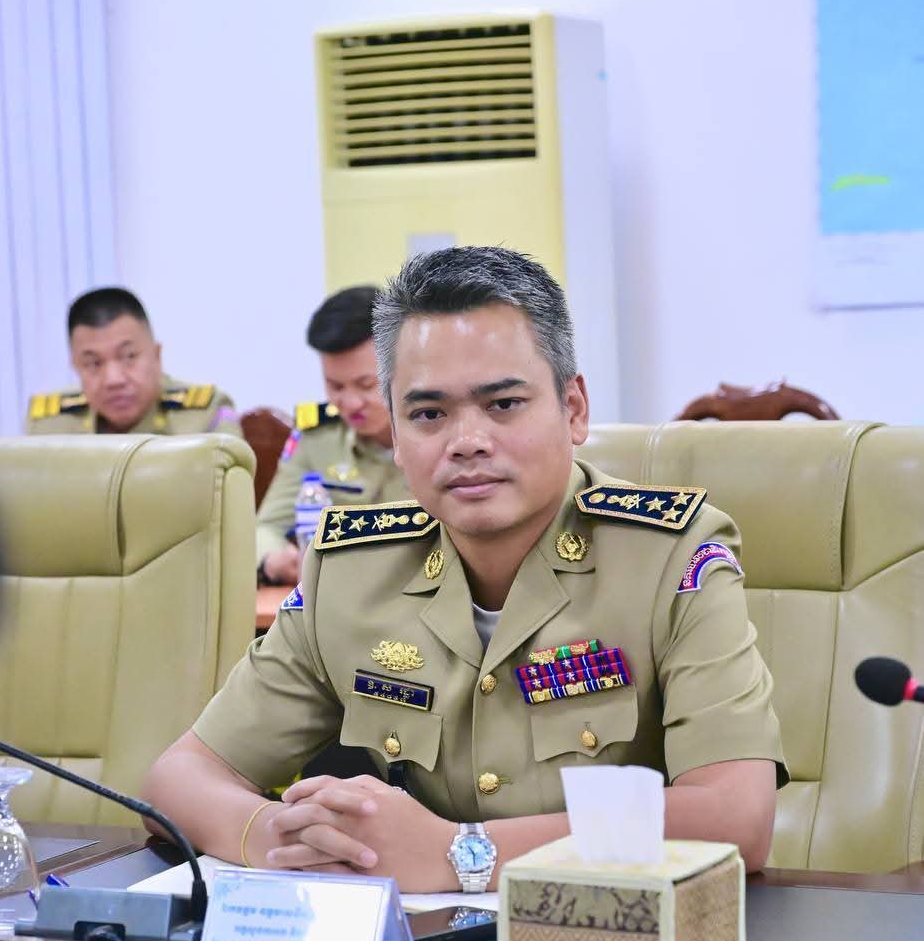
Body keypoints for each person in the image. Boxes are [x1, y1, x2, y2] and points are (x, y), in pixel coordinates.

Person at [144, 246, 787, 890]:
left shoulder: (671, 557)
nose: (467, 442)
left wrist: (462, 852)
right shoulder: (349, 572)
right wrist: (280, 839)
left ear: (573, 409)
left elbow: (736, 816)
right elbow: (179, 778)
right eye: (428, 414)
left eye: (503, 404)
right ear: (396, 435)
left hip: (610, 932)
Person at [256, 285, 407, 585]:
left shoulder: (440, 433)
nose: (350, 403)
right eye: (335, 386)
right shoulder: (318, 438)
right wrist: (273, 560)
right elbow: (266, 527)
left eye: (366, 385)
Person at [26, 287, 240, 437]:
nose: (114, 380)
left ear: (156, 356)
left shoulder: (205, 416)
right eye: (94, 364)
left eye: (129, 357)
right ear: (76, 367)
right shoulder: (49, 426)